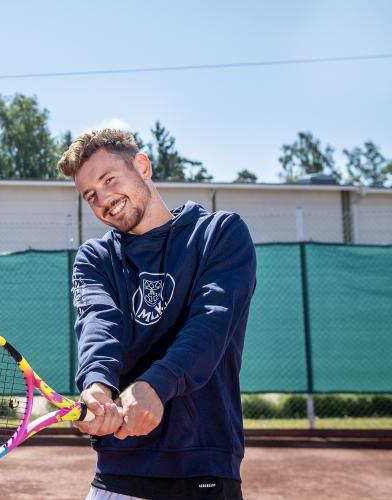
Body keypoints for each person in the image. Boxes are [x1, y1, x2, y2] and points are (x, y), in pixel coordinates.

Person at [57, 129, 256, 500]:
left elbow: (211, 325)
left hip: (204, 469)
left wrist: (154, 387)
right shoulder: (94, 259)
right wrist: (97, 386)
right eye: (90, 195)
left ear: (142, 166)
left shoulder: (220, 234)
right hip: (118, 472)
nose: (104, 200)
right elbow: (98, 326)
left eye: (109, 180)